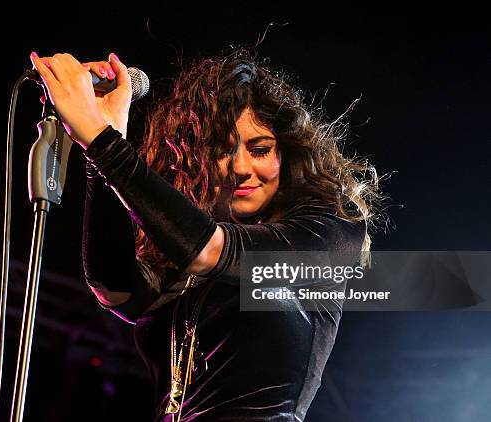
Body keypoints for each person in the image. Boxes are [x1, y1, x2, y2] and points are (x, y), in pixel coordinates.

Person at [30, 49, 380, 421]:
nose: (241, 168)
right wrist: (100, 147)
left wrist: (101, 141)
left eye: (260, 150)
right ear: (195, 157)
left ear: (287, 153)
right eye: (222, 151)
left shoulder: (329, 230)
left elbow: (212, 251)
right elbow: (116, 289)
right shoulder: (181, 251)